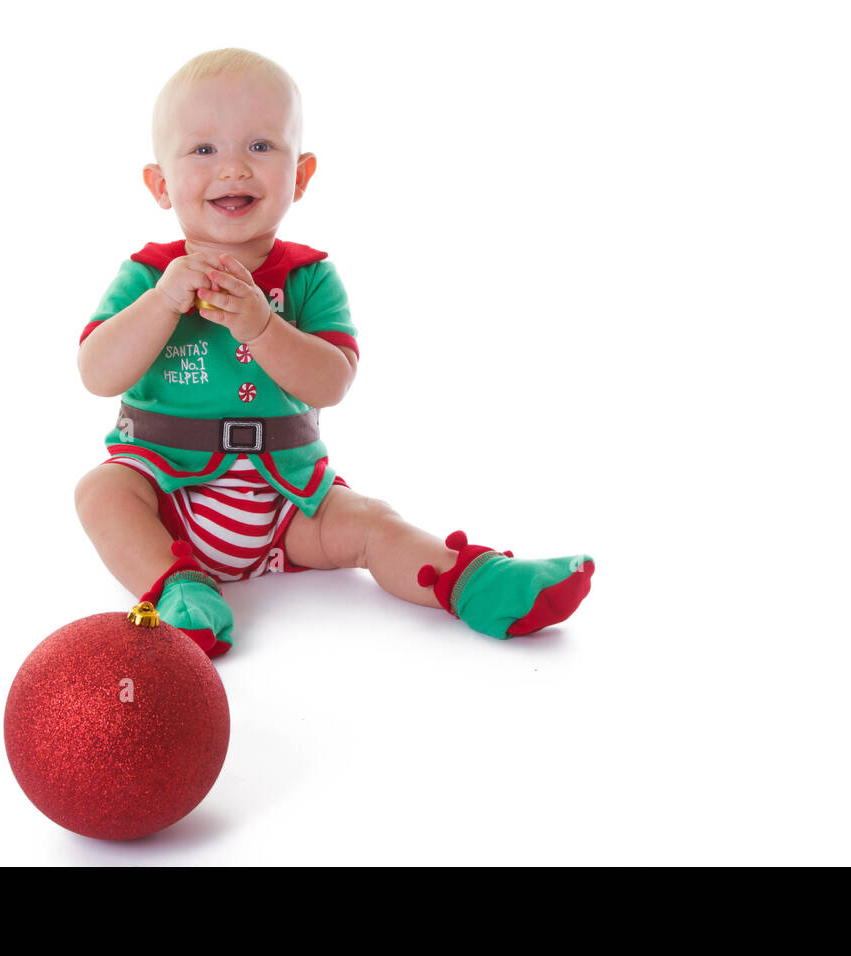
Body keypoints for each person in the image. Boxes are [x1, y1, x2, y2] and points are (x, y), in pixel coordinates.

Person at [74, 48, 594, 657]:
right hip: (168, 495)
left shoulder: (309, 277)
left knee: (374, 523)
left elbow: (331, 383)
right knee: (100, 493)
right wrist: (163, 303)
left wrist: (264, 326)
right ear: (161, 185)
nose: (235, 168)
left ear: (300, 175)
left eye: (262, 146)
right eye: (204, 149)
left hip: (289, 501)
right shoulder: (147, 275)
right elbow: (96, 373)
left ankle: (473, 580)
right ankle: (176, 588)